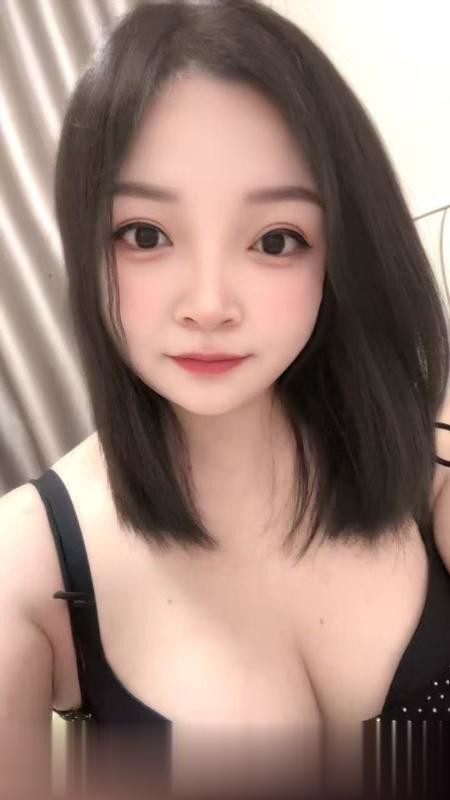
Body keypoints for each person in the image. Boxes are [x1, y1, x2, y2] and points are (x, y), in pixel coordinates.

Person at [1, 1, 449, 798]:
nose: (208, 305)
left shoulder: (428, 467)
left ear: (339, 254)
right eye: (145, 234)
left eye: (275, 239)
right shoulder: (26, 567)